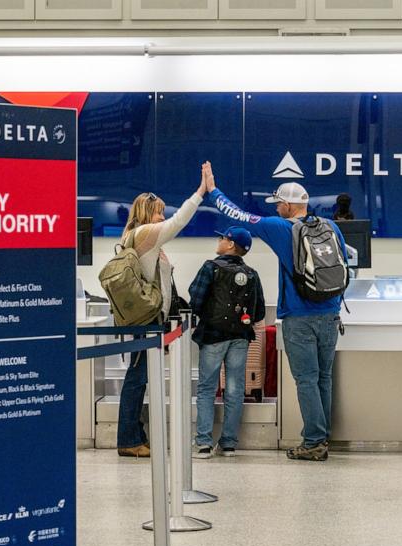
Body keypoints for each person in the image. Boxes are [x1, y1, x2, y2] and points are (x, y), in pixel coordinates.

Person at [202, 162, 346, 461]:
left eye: (279, 203)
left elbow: (237, 215)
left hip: (299, 317)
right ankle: (322, 437)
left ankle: (314, 442)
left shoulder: (280, 228)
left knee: (306, 379)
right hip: (331, 314)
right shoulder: (331, 227)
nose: (276, 208)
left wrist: (212, 191)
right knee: (323, 378)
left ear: (289, 205)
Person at [116, 171, 207, 458]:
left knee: (139, 377)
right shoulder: (144, 234)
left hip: (150, 321)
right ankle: (128, 439)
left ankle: (134, 436)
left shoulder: (139, 238)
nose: (162, 218)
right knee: (136, 378)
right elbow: (178, 221)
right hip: (145, 322)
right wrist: (201, 192)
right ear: (148, 213)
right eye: (159, 212)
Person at [188, 226, 265, 458]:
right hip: (240, 336)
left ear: (230, 244)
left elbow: (196, 299)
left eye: (222, 237)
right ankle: (229, 444)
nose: (219, 240)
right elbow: (259, 311)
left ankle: (203, 443)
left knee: (206, 388)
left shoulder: (210, 267)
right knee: (234, 389)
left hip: (213, 335)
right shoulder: (252, 274)